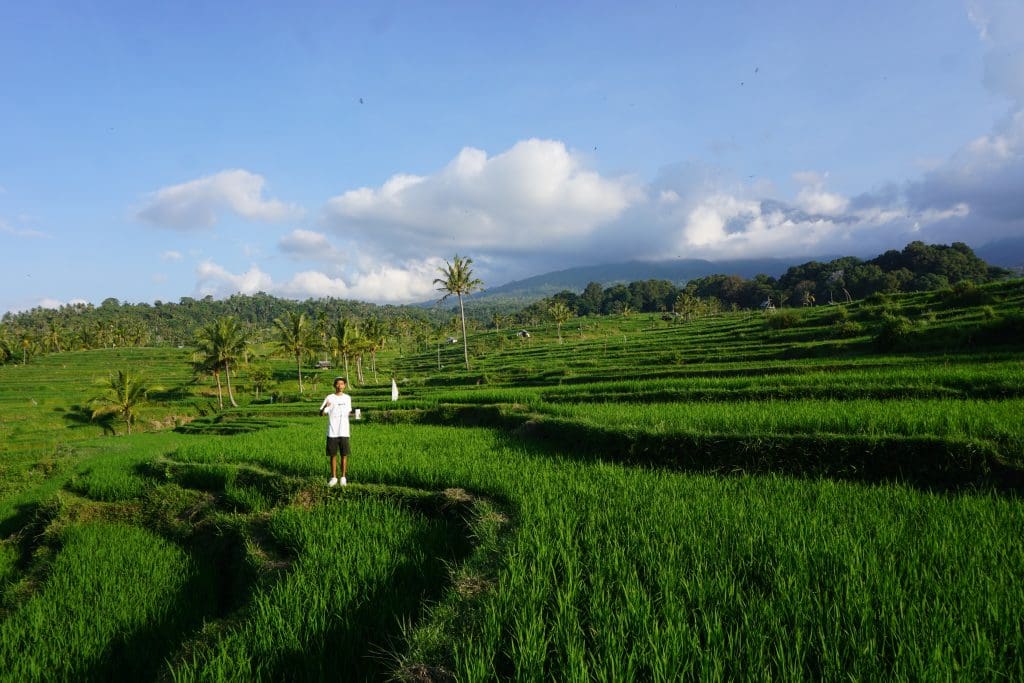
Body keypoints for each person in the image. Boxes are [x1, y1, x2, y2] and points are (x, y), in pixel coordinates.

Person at [319, 376, 353, 486]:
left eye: (342, 384)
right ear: (335, 385)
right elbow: (321, 413)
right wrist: (325, 407)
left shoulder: (347, 398)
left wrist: (356, 415)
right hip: (332, 431)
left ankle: (343, 477)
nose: (340, 386)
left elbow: (348, 412)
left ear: (345, 386)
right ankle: (334, 477)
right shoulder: (330, 397)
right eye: (338, 384)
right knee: (333, 455)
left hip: (344, 431)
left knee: (344, 455)